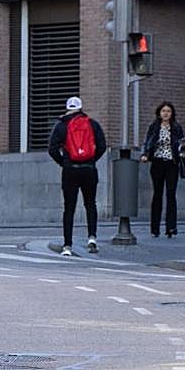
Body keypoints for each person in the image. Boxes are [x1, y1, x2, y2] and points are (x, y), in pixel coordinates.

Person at [48, 96, 107, 256]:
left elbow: (52, 149)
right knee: (90, 204)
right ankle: (92, 238)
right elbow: (102, 146)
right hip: (89, 169)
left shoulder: (61, 125)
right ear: (81, 108)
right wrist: (91, 160)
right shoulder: (92, 124)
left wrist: (63, 162)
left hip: (70, 170)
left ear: (68, 108)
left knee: (69, 208)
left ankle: (67, 245)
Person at [139, 100, 185, 238]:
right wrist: (145, 154)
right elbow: (147, 142)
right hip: (157, 162)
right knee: (157, 194)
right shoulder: (154, 127)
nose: (166, 113)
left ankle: (171, 227)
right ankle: (155, 228)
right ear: (159, 113)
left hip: (172, 163)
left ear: (172, 114)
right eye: (164, 111)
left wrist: (183, 146)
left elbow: (182, 146)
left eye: (168, 111)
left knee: (171, 194)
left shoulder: (176, 127)